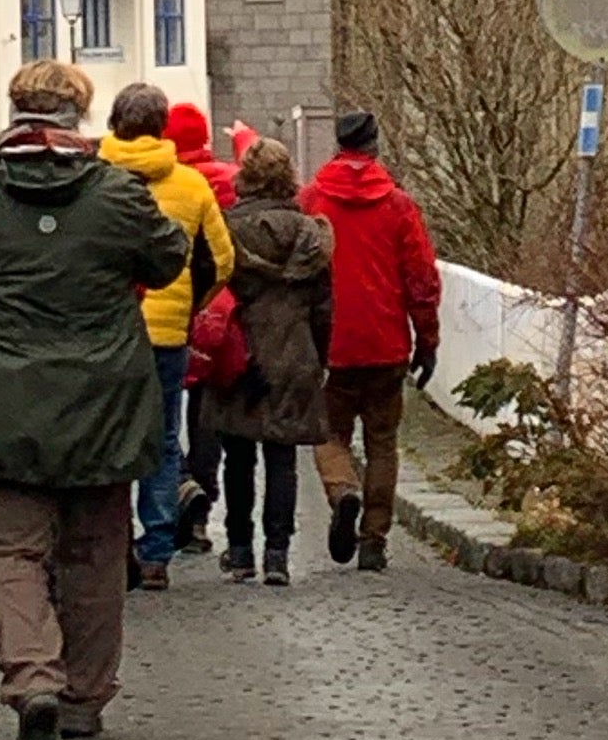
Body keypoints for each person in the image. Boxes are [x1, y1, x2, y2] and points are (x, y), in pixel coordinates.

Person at [0, 60, 185, 740]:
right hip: (101, 398)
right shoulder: (118, 193)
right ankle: (81, 697)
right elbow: (165, 262)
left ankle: (33, 676)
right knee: (94, 551)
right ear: (79, 115)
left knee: (8, 549)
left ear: (14, 110)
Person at [96, 81, 237, 589]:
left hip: (105, 331)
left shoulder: (94, 178)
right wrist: (190, 307)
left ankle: (109, 544)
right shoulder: (192, 186)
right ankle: (156, 551)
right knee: (163, 440)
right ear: (161, 127)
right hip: (169, 332)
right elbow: (222, 261)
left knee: (107, 437)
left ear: (114, 123)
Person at [300, 108, 440, 574]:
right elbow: (421, 278)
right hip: (386, 342)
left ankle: (343, 491)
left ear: (338, 146)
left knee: (329, 433)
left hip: (330, 343)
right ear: (375, 147)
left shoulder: (313, 200)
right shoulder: (399, 205)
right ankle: (374, 540)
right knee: (382, 441)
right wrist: (428, 338)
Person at [206, 137, 332, 586]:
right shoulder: (310, 236)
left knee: (237, 456)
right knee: (282, 457)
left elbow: (210, 290)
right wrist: (321, 354)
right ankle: (277, 553)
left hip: (238, 354)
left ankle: (240, 550)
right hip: (293, 351)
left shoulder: (226, 229)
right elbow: (322, 306)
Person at [166, 101, 238, 554]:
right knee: (208, 421)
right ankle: (201, 513)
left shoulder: (166, 184)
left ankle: (180, 485)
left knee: (163, 420)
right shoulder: (230, 180)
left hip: (169, 313)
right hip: (223, 316)